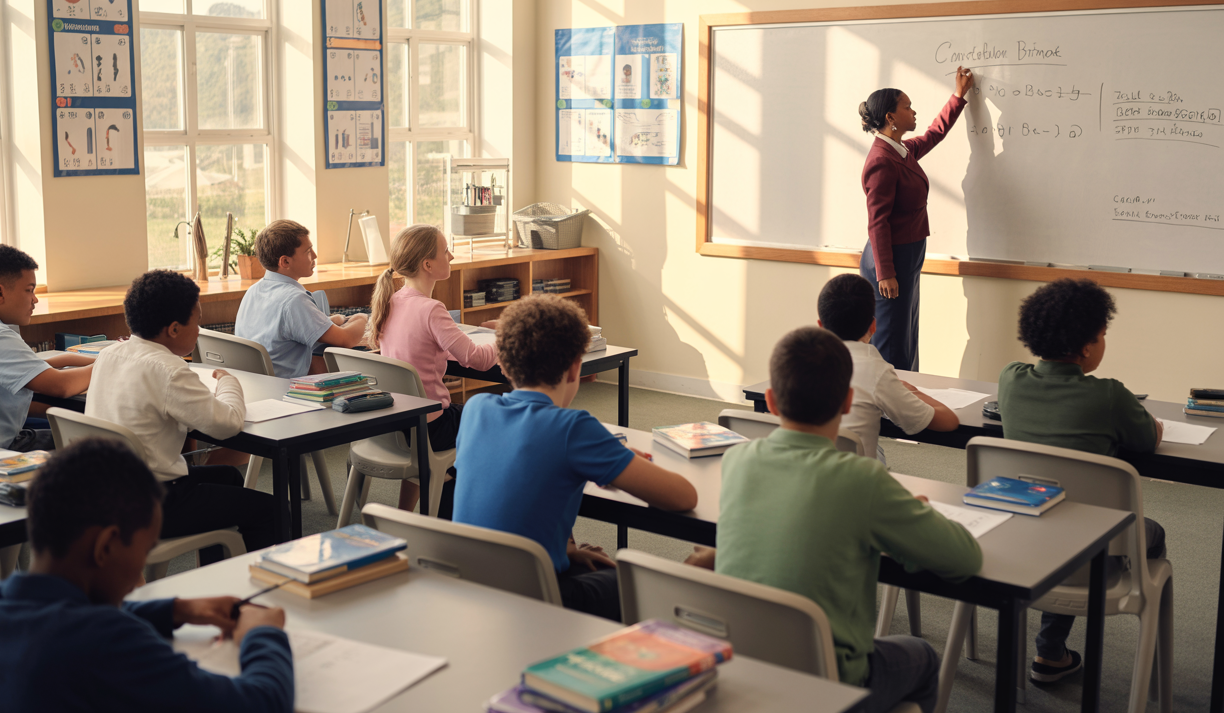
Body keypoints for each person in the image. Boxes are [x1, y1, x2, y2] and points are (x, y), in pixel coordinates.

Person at [716, 326, 981, 713]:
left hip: (745, 665)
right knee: (923, 655)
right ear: (847, 401)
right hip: (831, 681)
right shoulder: (863, 479)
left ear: (770, 401)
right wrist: (911, 515)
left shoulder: (737, 460)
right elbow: (964, 559)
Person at [0, 437, 293, 711]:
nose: (137, 573)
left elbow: (60, 615)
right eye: (144, 551)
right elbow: (259, 703)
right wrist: (263, 633)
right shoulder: (106, 645)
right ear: (106, 546)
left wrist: (175, 610)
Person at [451, 294, 697, 621]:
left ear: (504, 365)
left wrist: (567, 550)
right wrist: (617, 457)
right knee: (641, 583)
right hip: (534, 600)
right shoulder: (574, 428)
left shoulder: (476, 409)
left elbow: (517, 490)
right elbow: (683, 497)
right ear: (575, 369)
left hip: (470, 586)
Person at [998, 277, 1165, 684]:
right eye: (1103, 335)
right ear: (1088, 346)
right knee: (1142, 530)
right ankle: (1150, 649)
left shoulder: (1010, 379)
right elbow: (1147, 439)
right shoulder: (1109, 396)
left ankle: (1051, 651)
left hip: (1016, 535)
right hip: (1084, 550)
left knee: (1061, 515)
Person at [86, 269, 277, 564]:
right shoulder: (169, 369)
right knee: (271, 510)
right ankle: (262, 584)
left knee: (227, 477)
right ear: (174, 329)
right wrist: (229, 383)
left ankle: (217, 568)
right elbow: (227, 424)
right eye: (197, 321)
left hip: (107, 493)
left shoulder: (109, 354)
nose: (199, 330)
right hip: (153, 502)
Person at [368, 224, 499, 511]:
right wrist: (506, 336)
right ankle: (454, 499)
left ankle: (418, 504)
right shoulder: (431, 309)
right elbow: (477, 359)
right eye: (445, 251)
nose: (451, 256)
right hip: (432, 428)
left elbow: (417, 349)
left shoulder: (391, 301)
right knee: (495, 420)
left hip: (395, 425)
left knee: (469, 423)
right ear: (427, 265)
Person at [858, 65, 974, 372]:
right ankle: (891, 399)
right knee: (892, 340)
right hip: (891, 260)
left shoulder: (901, 150)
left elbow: (935, 133)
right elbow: (877, 222)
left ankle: (908, 393)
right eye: (907, 107)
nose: (913, 111)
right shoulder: (882, 160)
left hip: (908, 254)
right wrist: (886, 273)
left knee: (906, 334)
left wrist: (958, 96)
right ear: (891, 117)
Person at [817, 273, 957, 464]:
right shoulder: (876, 371)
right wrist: (913, 391)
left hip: (807, 471)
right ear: (873, 326)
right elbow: (948, 422)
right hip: (857, 475)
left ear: (820, 325)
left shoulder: (798, 362)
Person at [0, 243, 94, 451]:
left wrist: (73, 359)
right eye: (29, 290)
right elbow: (62, 386)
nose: (35, 299)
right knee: (100, 445)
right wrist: (115, 361)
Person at [234, 220, 367, 378]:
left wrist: (330, 321)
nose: (315, 256)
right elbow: (347, 339)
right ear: (285, 261)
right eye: (308, 251)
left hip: (259, 382)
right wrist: (362, 318)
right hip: (286, 386)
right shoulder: (294, 300)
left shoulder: (253, 291)